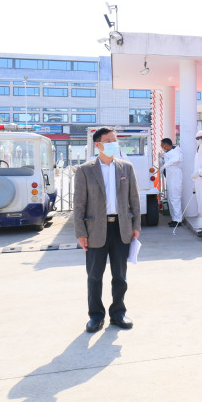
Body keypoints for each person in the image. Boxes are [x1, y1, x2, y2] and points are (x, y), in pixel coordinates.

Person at [73, 127, 141, 333]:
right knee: (94, 276)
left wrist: (136, 226)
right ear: (98, 145)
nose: (113, 144)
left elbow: (134, 200)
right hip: (95, 230)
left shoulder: (126, 168)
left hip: (121, 228)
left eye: (115, 140)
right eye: (108, 141)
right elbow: (79, 204)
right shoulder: (85, 170)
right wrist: (80, 232)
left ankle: (118, 313)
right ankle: (95, 316)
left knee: (120, 276)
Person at [160, 137, 183, 227]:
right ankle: (174, 218)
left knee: (175, 199)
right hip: (171, 179)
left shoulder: (176, 152)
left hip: (175, 179)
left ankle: (178, 220)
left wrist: (165, 165)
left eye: (162, 145)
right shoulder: (169, 153)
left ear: (166, 145)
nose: (162, 147)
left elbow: (176, 159)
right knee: (171, 199)